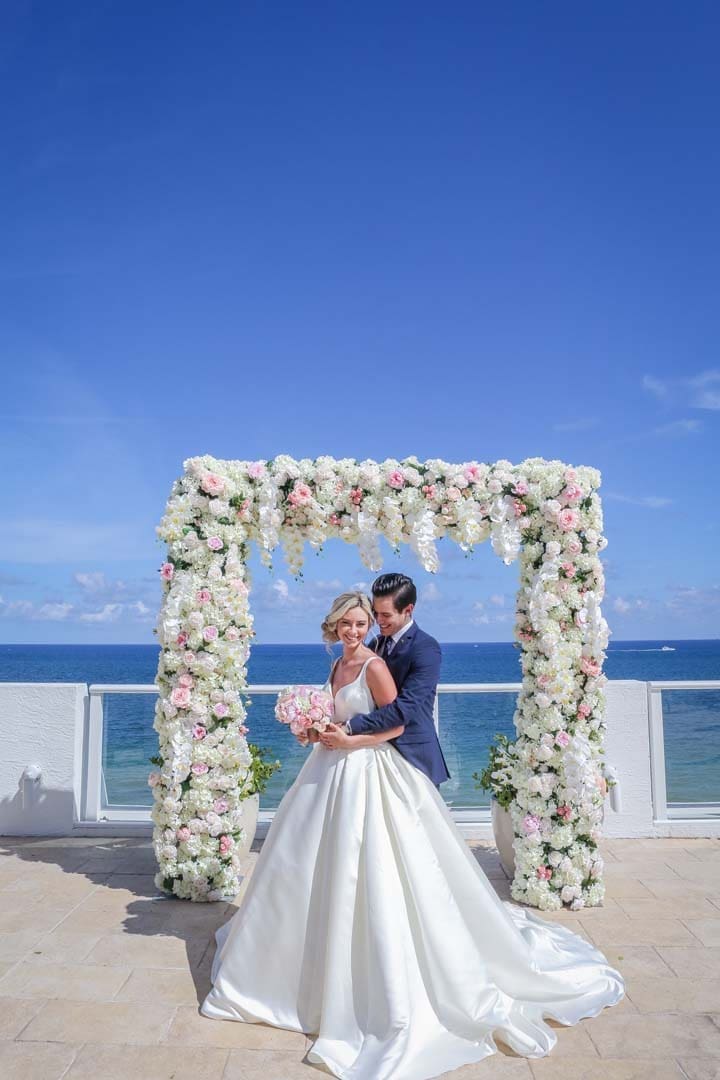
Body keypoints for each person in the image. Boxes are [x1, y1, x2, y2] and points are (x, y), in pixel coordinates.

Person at [201, 587, 625, 1080]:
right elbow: (337, 711)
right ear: (335, 627)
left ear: (400, 613)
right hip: (330, 768)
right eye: (352, 623)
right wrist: (314, 730)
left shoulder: (396, 658)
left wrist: (351, 736)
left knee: (380, 864)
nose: (360, 629)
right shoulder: (353, 658)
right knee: (303, 864)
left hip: (371, 766)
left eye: (368, 621)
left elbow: (402, 719)